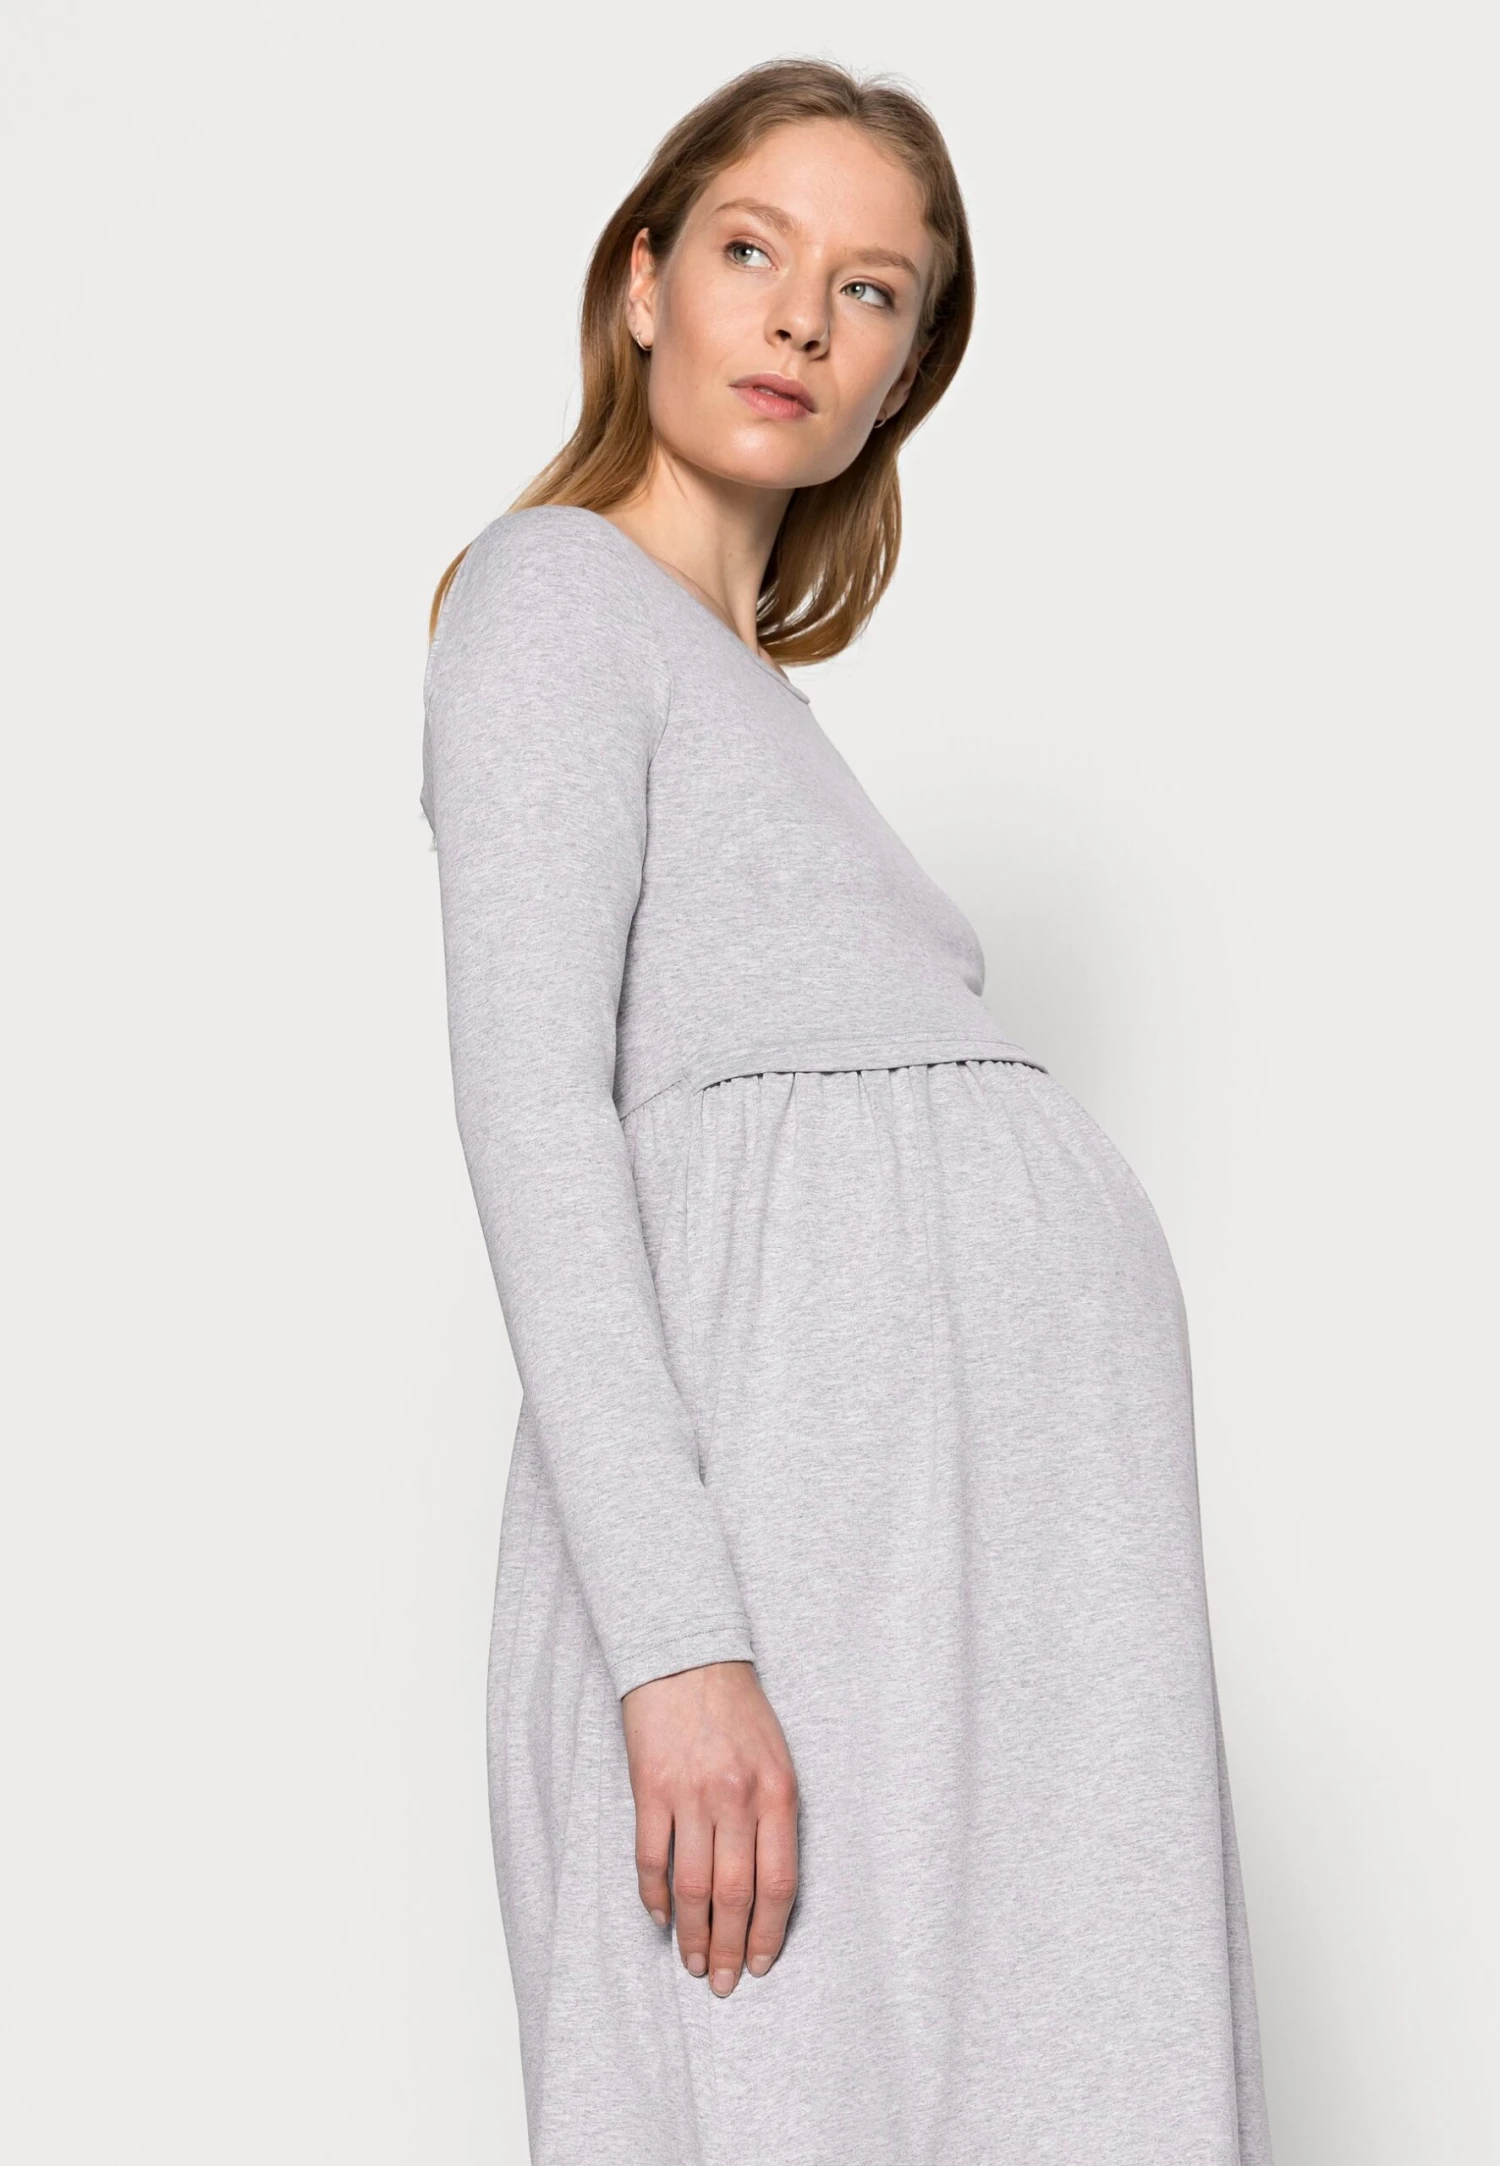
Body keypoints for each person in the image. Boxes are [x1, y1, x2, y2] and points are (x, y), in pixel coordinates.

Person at [421, 55, 1274, 2166]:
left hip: (973, 1577)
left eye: (871, 290)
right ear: (644, 283)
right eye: (753, 249)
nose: (804, 318)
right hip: (798, 1569)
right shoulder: (549, 596)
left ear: (905, 375)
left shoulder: (754, 704)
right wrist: (679, 1647)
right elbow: (533, 1117)